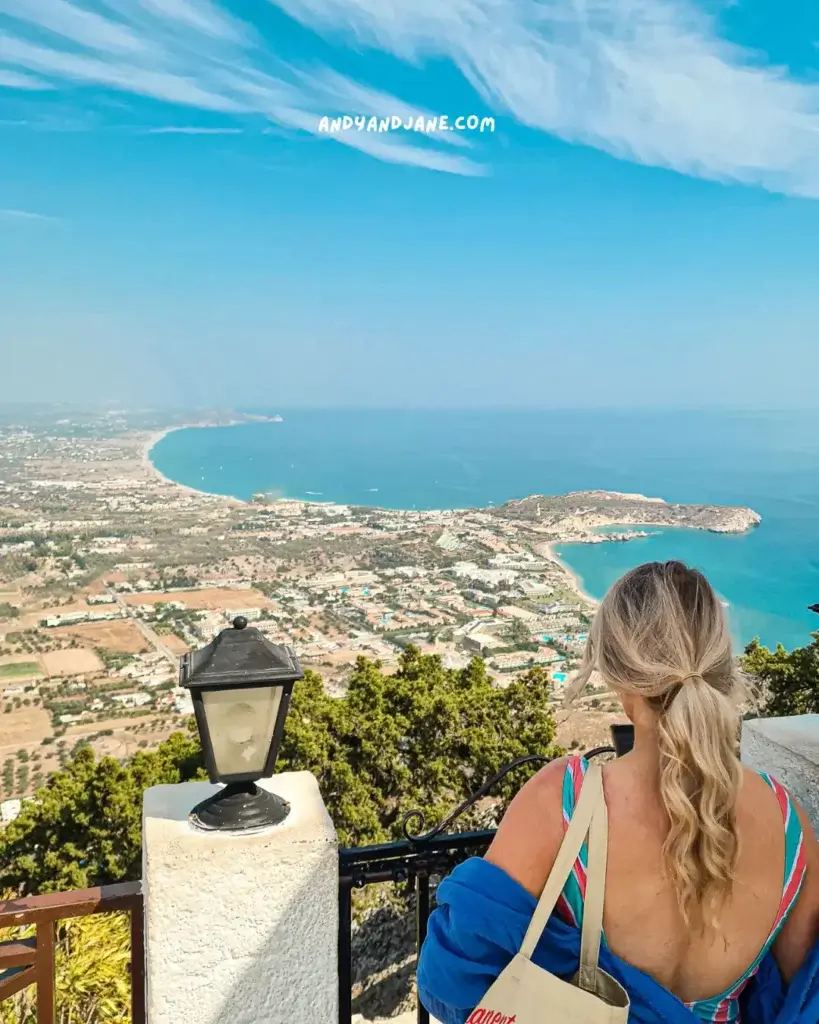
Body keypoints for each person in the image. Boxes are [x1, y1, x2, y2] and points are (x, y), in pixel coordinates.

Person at [417, 560, 819, 1023]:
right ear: (720, 664)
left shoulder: (564, 802)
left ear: (616, 675)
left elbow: (453, 976)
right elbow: (802, 999)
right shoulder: (789, 825)